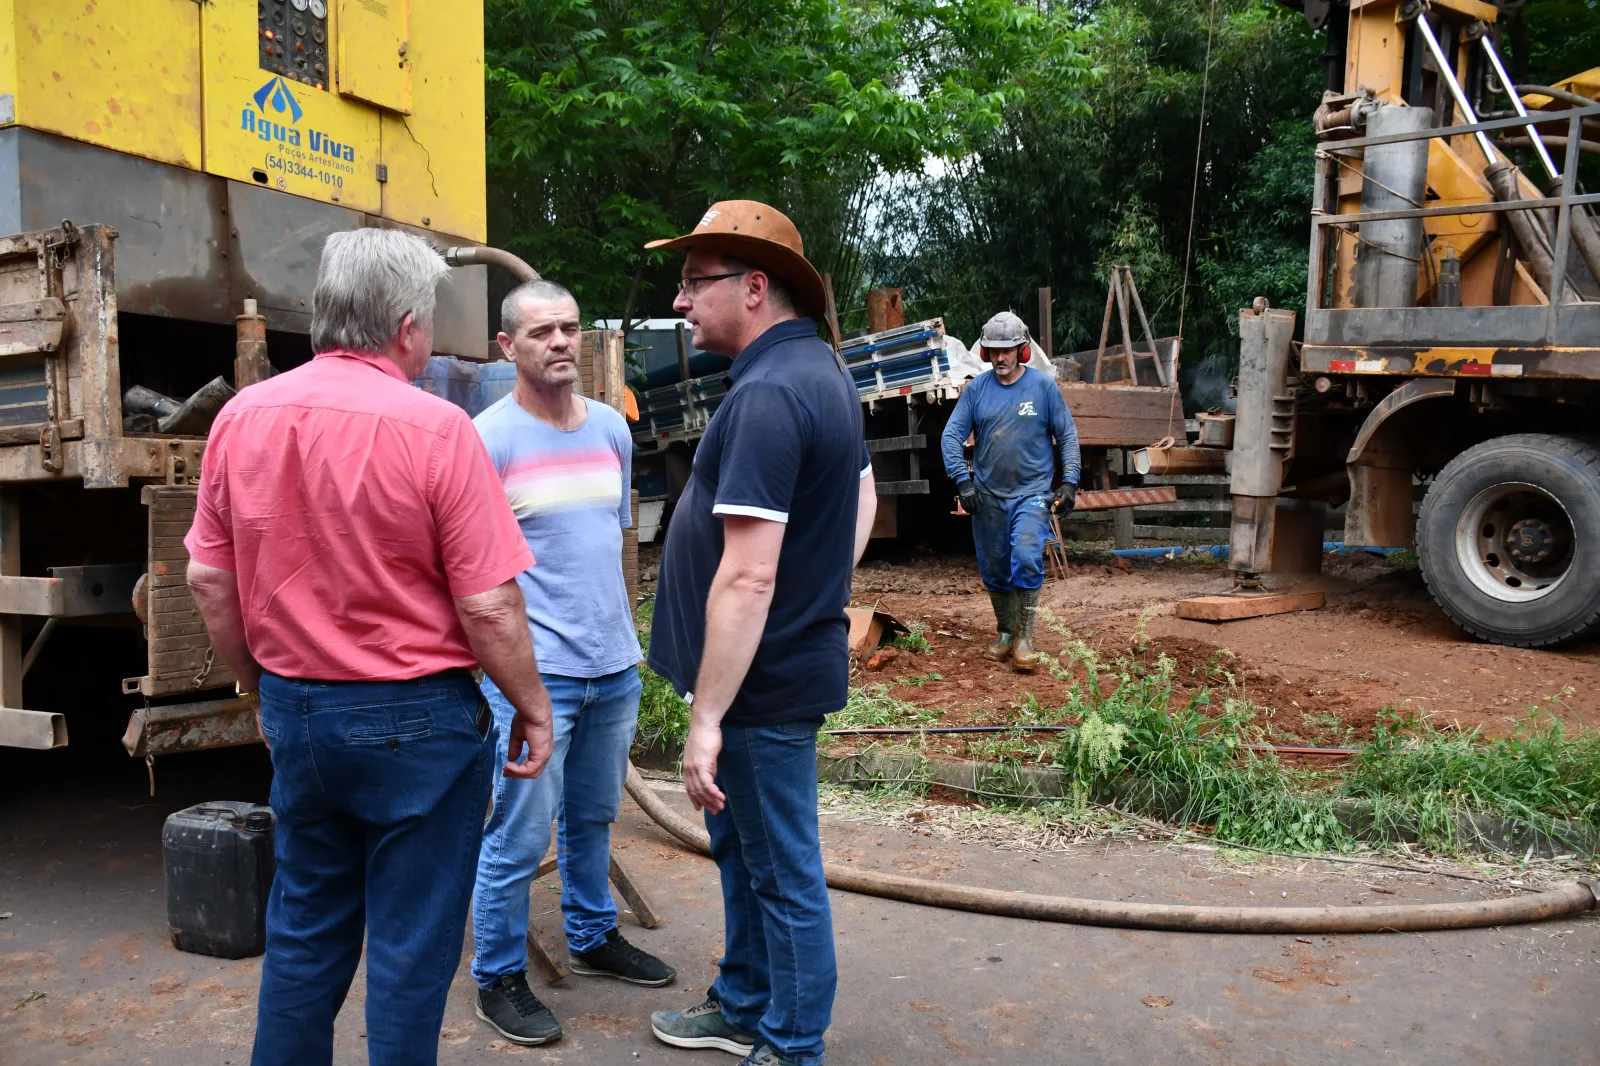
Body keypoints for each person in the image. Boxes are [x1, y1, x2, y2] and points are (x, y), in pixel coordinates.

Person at [184, 228, 556, 1066]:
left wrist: (262, 690)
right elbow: (488, 605)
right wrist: (532, 706)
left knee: (305, 933)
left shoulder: (241, 418)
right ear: (404, 326)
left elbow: (209, 580)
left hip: (298, 712)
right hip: (419, 722)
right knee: (410, 950)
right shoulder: (437, 429)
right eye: (424, 321)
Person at [642, 201, 877, 1066]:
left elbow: (747, 574)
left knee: (781, 873)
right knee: (744, 854)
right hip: (765, 673)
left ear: (752, 286)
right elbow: (861, 494)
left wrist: (705, 719)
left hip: (760, 689)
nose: (679, 302)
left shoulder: (775, 392)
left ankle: (791, 1045)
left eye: (694, 282)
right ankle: (745, 1004)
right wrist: (823, 583)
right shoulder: (816, 371)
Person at [467, 279, 676, 1045]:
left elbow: (612, 546)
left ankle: (591, 936)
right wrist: (496, 672)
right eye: (541, 332)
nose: (560, 343)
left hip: (613, 666)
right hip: (534, 677)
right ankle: (497, 976)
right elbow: (471, 573)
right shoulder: (486, 440)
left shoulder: (610, 431)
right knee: (518, 834)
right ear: (507, 348)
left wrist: (626, 642)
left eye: (570, 329)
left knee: (592, 816)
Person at [940, 310, 1081, 672]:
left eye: (1007, 351)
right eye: (993, 351)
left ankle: (1025, 638)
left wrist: (1069, 481)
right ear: (985, 352)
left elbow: (1066, 435)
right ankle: (1005, 631)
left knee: (1025, 556)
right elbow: (950, 437)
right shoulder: (977, 390)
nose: (1000, 358)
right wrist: (963, 480)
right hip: (987, 496)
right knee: (995, 567)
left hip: (1032, 492)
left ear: (1023, 350)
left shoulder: (1044, 388)